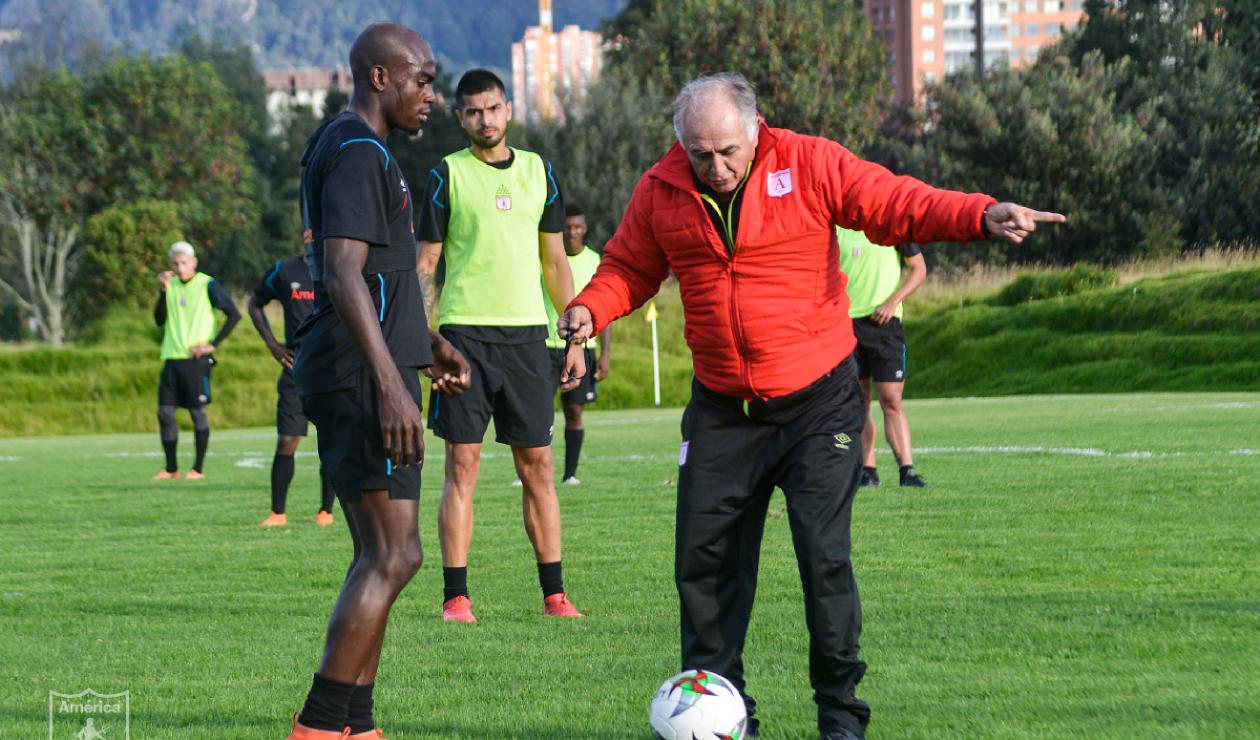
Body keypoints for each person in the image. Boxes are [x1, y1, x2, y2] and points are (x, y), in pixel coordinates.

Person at [560, 73, 1065, 740]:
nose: (715, 168)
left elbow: (896, 203)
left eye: (727, 152)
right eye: (700, 154)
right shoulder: (661, 190)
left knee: (823, 558)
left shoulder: (810, 163)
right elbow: (629, 267)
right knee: (704, 568)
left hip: (818, 408)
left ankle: (840, 716)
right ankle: (722, 715)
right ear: (681, 145)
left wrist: (979, 214)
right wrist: (589, 309)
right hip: (721, 412)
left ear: (755, 128)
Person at [285, 23, 471, 740]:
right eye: (422, 80)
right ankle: (319, 726)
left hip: (367, 367)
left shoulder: (349, 145)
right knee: (397, 554)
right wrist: (393, 387)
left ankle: (356, 727)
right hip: (362, 377)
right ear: (379, 77)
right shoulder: (360, 151)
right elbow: (340, 275)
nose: (432, 95)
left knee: (381, 554)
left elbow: (377, 276)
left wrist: (427, 343)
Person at [416, 69, 586, 624]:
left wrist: (576, 335)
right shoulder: (446, 175)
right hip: (463, 337)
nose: (484, 120)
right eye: (473, 111)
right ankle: (456, 598)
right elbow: (426, 265)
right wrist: (423, 341)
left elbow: (555, 262)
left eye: (492, 108)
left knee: (538, 466)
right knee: (461, 466)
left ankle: (555, 596)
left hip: (529, 338)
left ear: (508, 110)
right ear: (460, 118)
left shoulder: (540, 172)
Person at [248, 253, 336, 526]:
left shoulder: (339, 264)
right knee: (287, 440)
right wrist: (273, 345)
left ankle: (326, 511)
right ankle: (278, 513)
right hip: (295, 369)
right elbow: (254, 303)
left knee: (332, 440)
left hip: (332, 369)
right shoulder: (284, 270)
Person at [836, 228, 929, 488]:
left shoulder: (892, 227)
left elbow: (919, 269)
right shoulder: (835, 229)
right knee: (859, 400)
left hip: (885, 326)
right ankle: (868, 470)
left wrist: (892, 302)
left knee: (891, 399)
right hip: (846, 326)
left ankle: (907, 471)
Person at [153, 240, 240, 481]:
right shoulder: (169, 285)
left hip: (196, 361)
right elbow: (159, 320)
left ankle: (197, 469)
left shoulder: (207, 284)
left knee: (196, 413)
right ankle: (171, 468)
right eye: (175, 263)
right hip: (172, 358)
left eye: (184, 262)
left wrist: (212, 344)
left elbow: (234, 314)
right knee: (164, 413)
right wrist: (163, 292)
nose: (180, 267)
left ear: (194, 262)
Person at [543, 202, 612, 485]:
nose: (572, 231)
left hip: (583, 347)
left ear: (584, 229)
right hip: (545, 345)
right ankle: (531, 473)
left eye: (577, 226)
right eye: (567, 227)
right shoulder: (547, 258)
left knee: (574, 411)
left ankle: (570, 474)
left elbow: (606, 310)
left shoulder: (595, 260)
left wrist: (606, 353)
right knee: (538, 413)